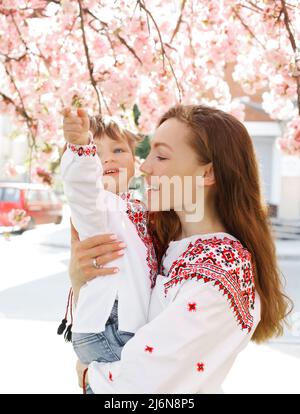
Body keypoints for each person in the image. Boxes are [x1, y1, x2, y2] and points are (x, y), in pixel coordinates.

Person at [73, 104, 292, 394]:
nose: (144, 166)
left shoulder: (220, 270)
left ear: (207, 174)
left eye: (161, 156)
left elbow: (139, 384)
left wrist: (88, 376)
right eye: (149, 153)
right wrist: (80, 279)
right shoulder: (161, 242)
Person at [60, 108, 157, 394]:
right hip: (112, 325)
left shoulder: (142, 209)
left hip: (128, 324)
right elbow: (83, 189)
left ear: (136, 160)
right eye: (96, 151)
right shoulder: (98, 206)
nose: (108, 158)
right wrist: (80, 149)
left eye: (118, 149)